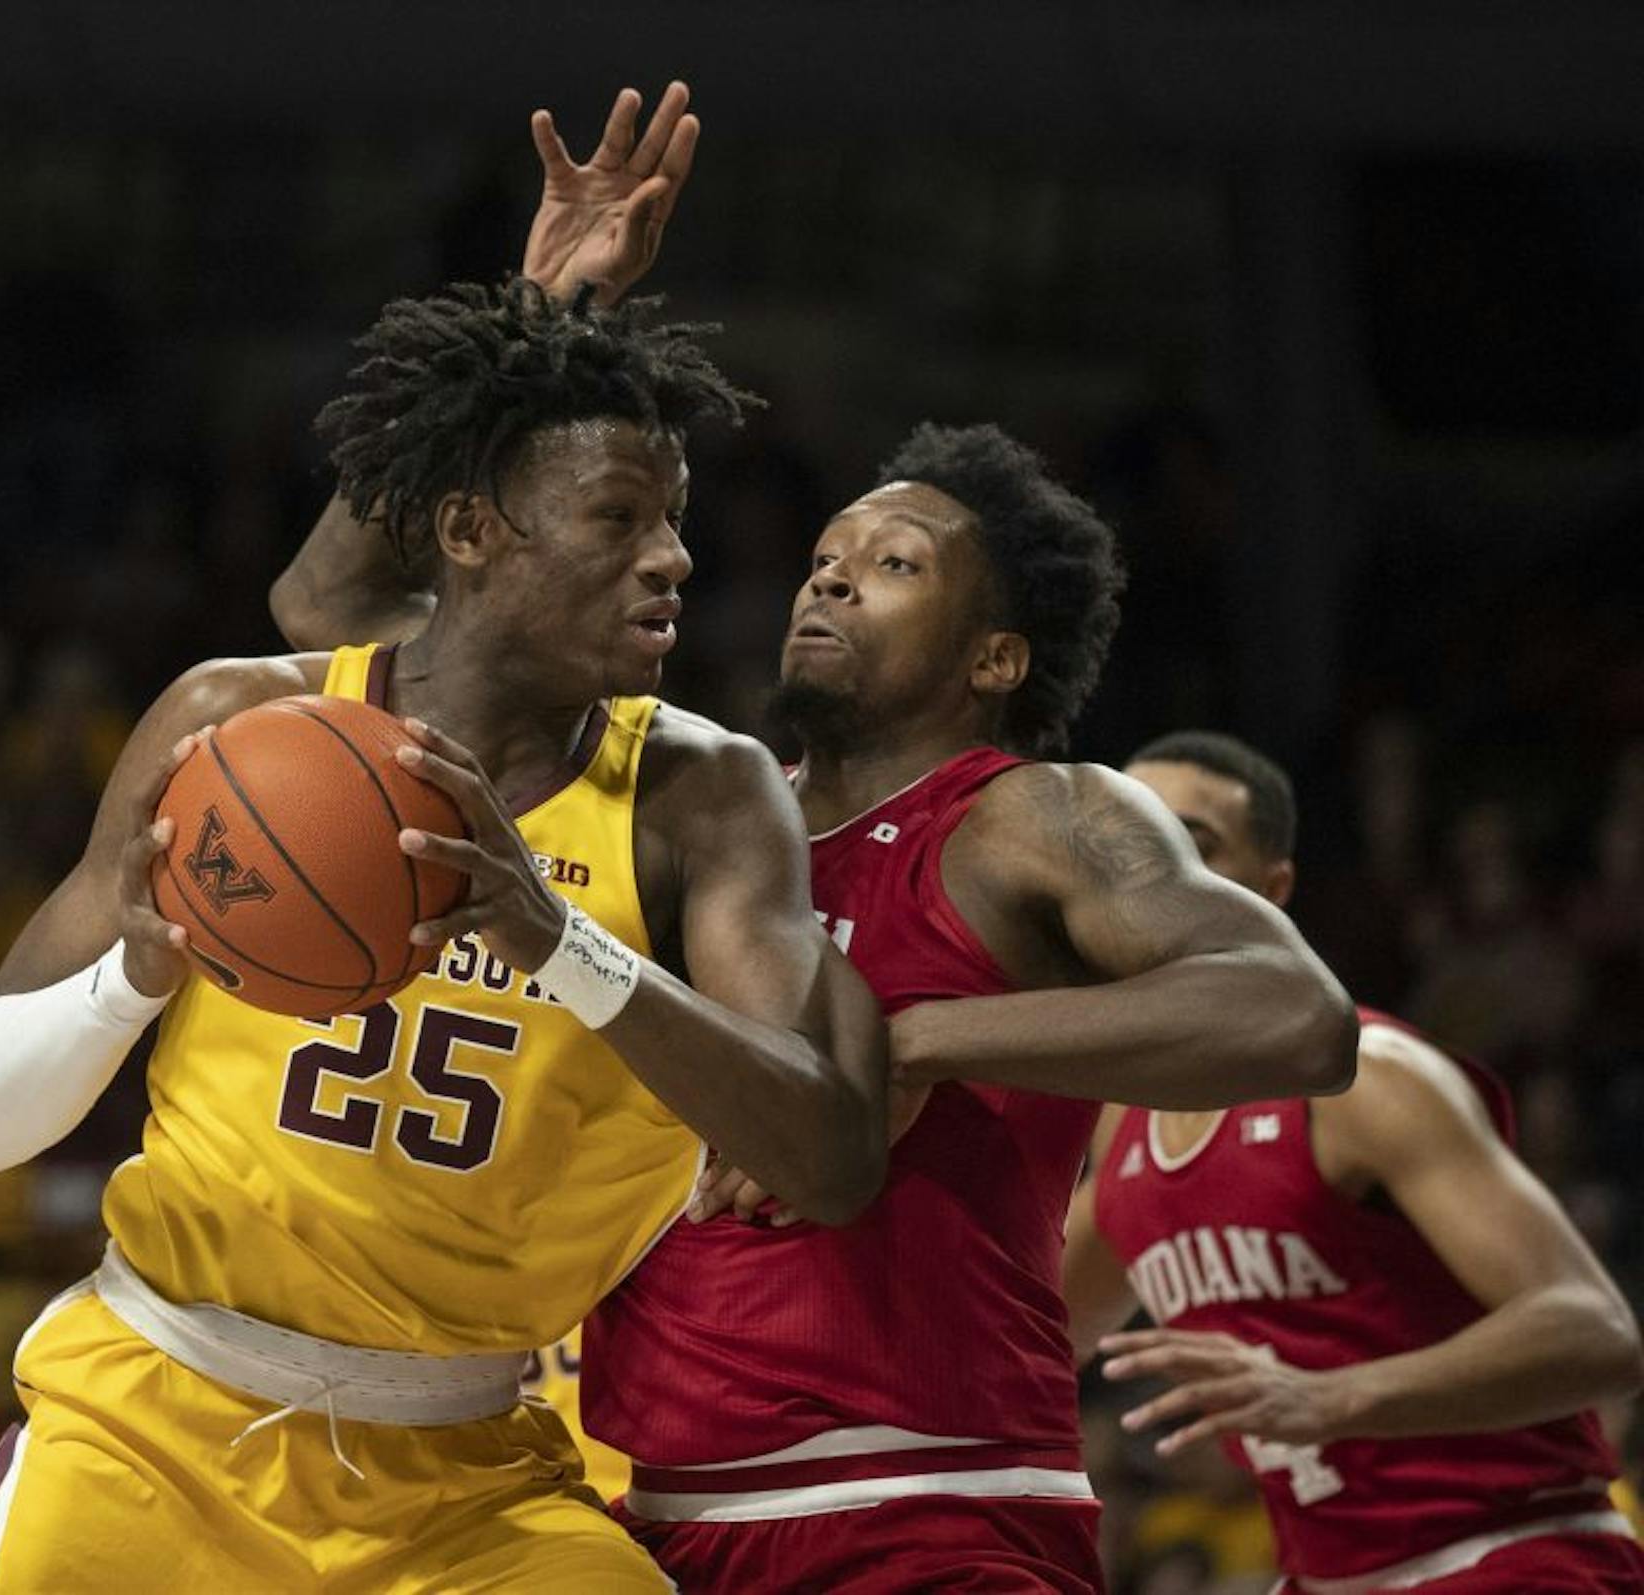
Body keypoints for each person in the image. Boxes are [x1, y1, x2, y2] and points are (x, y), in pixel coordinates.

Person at [274, 89, 1360, 1593]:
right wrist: (533, 322)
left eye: (896, 565)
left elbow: (1294, 1015)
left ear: (991, 656)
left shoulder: (1026, 814)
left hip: (926, 1500)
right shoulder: (704, 815)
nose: (831, 582)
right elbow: (335, 619)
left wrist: (914, 1038)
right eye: (828, 554)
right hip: (646, 1512)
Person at [0, 173, 890, 1595]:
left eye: (676, 518)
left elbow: (830, 1159)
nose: (674, 557)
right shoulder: (238, 727)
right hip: (153, 1417)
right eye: (618, 520)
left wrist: (562, 945)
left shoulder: (701, 795)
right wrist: (135, 974)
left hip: (466, 1470)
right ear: (474, 532)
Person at [1065, 730, 1644, 1593]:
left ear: (1273, 892)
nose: (1156, 873)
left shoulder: (1365, 1078)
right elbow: (1021, 1338)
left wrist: (1328, 1396)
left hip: (1509, 1552)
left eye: (1197, 845)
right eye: (1131, 844)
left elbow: (1597, 1333)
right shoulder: (1121, 1128)